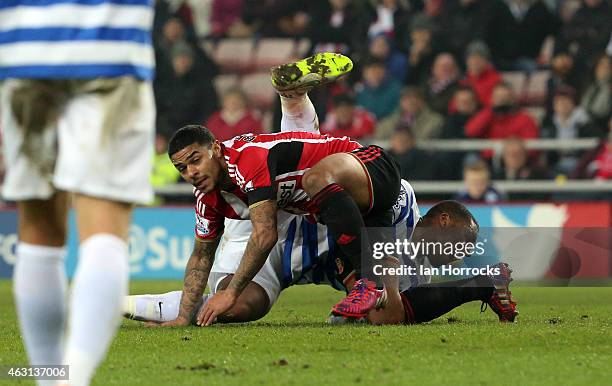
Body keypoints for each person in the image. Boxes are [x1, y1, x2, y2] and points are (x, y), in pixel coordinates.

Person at [165, 53, 405, 325]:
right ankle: (458, 289)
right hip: (349, 212)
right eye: (182, 169)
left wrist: (231, 292)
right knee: (385, 318)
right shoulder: (206, 197)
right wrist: (184, 316)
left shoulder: (246, 160)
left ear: (216, 149)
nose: (191, 173)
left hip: (370, 167)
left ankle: (290, 96)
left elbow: (266, 234)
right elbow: (200, 256)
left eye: (196, 160)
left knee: (314, 179)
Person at [0, 1, 156, 386]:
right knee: (104, 234)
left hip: (26, 51)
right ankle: (73, 380)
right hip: (110, 47)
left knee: (38, 233)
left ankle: (49, 379)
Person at [126, 188, 517, 326]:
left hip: (284, 269)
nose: (457, 255)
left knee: (238, 308)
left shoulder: (419, 273)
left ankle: (116, 304)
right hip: (272, 226)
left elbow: (386, 316)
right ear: (443, 220)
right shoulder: (398, 198)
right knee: (226, 299)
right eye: (459, 245)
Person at [377, 86, 444, 141]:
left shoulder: (435, 121)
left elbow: (426, 139)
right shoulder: (387, 122)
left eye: (415, 98)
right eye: (407, 98)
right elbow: (379, 139)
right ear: (401, 102)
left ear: (422, 101)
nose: (411, 102)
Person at [460, 41, 502, 107]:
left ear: (487, 62)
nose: (474, 62)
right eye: (472, 58)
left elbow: (491, 105)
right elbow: (453, 106)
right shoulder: (463, 79)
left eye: (479, 58)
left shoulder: (495, 79)